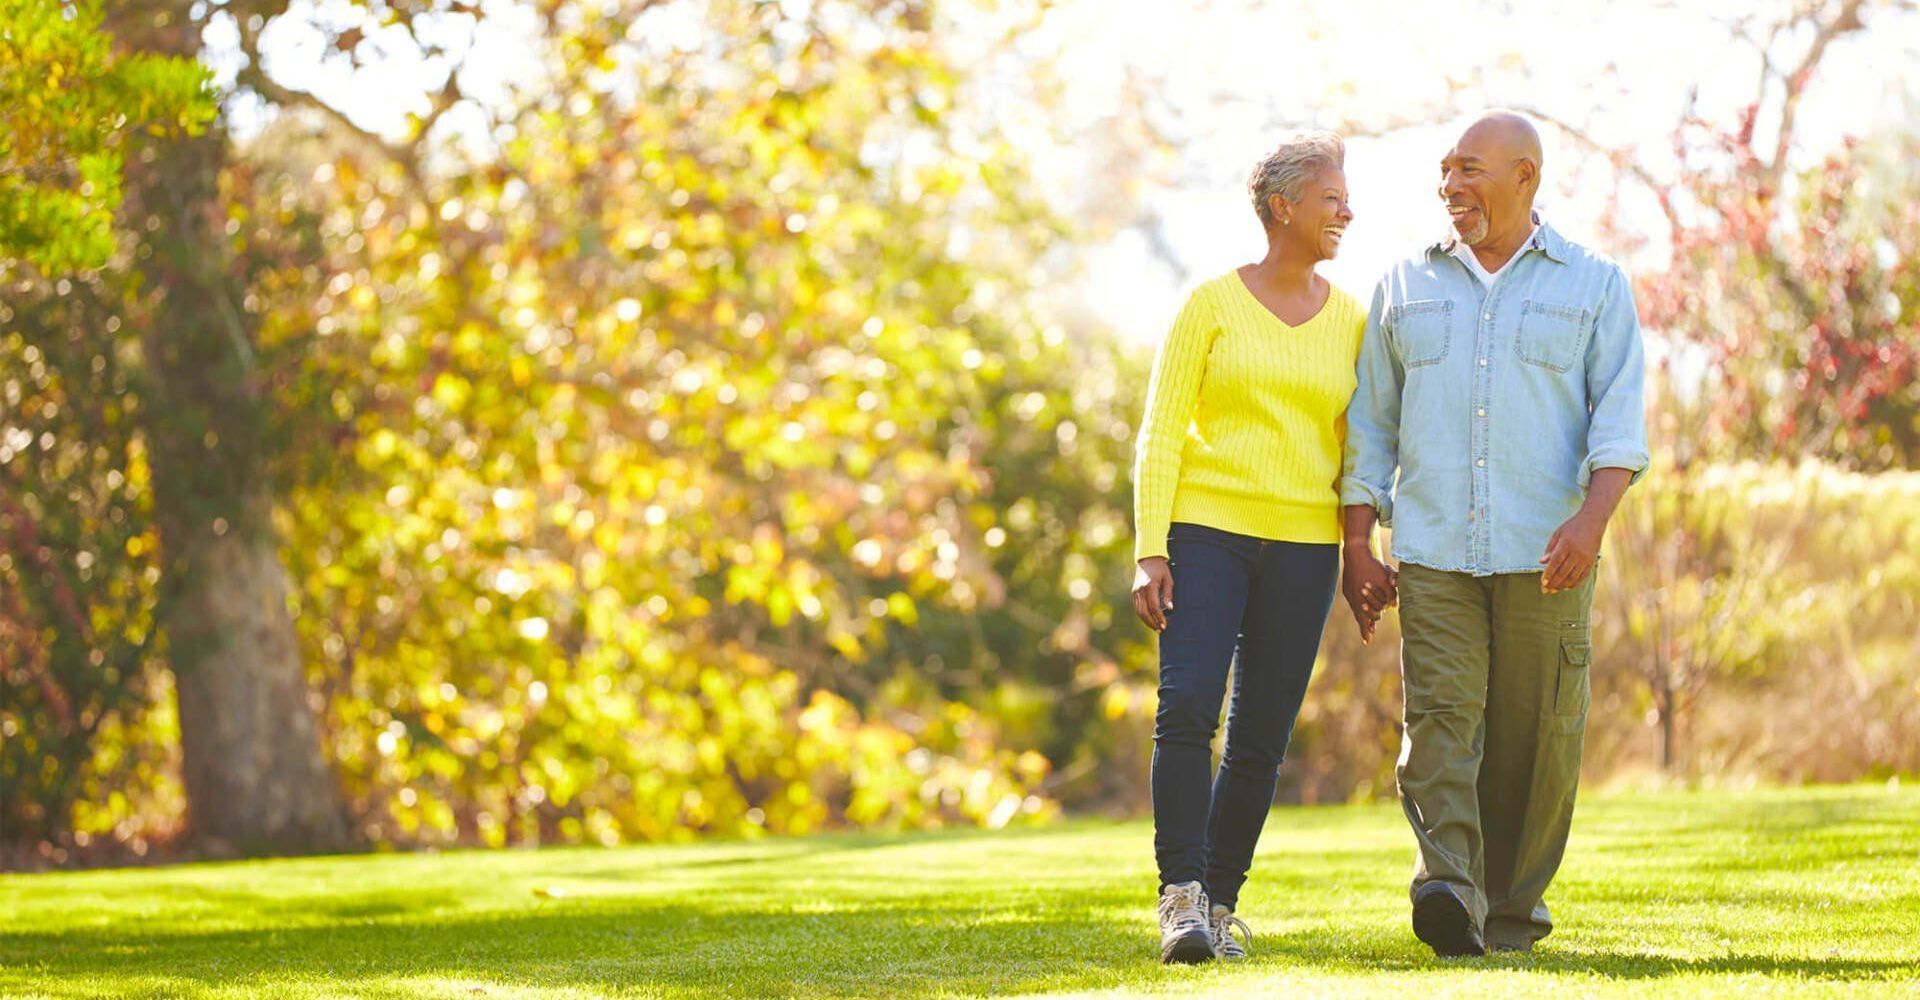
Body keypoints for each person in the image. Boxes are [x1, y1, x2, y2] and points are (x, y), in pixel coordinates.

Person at [1339, 110, 1650, 957]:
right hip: (1434, 550)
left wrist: (1591, 522)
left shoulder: (1593, 285)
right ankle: (1447, 887)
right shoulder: (1404, 285)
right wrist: (1358, 542)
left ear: (1526, 176)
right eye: (1444, 171)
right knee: (1439, 722)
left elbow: (1617, 424)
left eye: (1469, 170)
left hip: (1547, 552)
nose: (1450, 187)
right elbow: (1371, 423)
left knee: (1535, 739)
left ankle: (1509, 912)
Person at [1130, 129, 1364, 965]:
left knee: (1261, 734)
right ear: (1283, 206)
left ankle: (1220, 906)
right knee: (1189, 705)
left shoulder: (1352, 321)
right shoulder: (1209, 306)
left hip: (1303, 545)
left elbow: (1357, 448)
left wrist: (1362, 547)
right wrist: (1149, 549)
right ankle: (1181, 897)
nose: (1347, 209)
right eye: (1332, 196)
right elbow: (1160, 433)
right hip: (1207, 530)